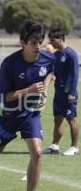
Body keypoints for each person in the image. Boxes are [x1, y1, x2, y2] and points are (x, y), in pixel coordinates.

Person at [0, 20, 54, 191]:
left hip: (30, 114)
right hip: (8, 115)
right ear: (22, 43)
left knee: (37, 152)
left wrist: (45, 90)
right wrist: (30, 90)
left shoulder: (47, 58)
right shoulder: (9, 64)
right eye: (34, 43)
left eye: (40, 42)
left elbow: (50, 72)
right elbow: (4, 97)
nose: (38, 47)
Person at [42, 28, 79, 156]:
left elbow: (74, 75)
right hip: (58, 93)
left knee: (71, 119)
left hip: (68, 93)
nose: (51, 43)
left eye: (53, 40)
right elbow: (54, 72)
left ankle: (74, 147)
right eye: (50, 40)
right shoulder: (56, 55)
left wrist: (72, 93)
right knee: (57, 120)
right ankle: (55, 146)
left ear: (61, 39)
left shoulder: (71, 54)